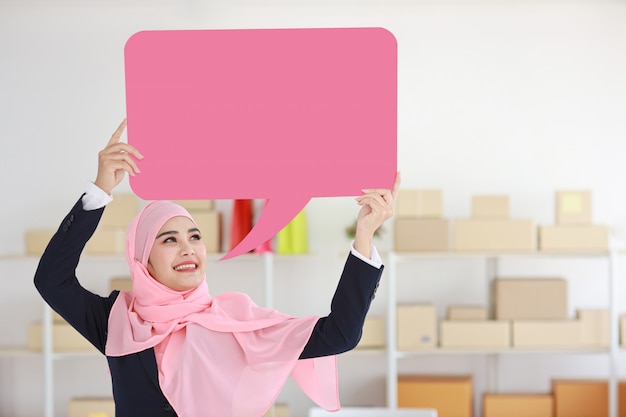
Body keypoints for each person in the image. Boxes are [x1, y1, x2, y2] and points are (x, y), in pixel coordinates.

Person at [34, 119, 400, 417]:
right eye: (169, 239)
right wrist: (99, 191)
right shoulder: (117, 321)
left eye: (195, 236)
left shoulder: (234, 322)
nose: (188, 249)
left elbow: (340, 334)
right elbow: (51, 280)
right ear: (142, 258)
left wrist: (365, 235)